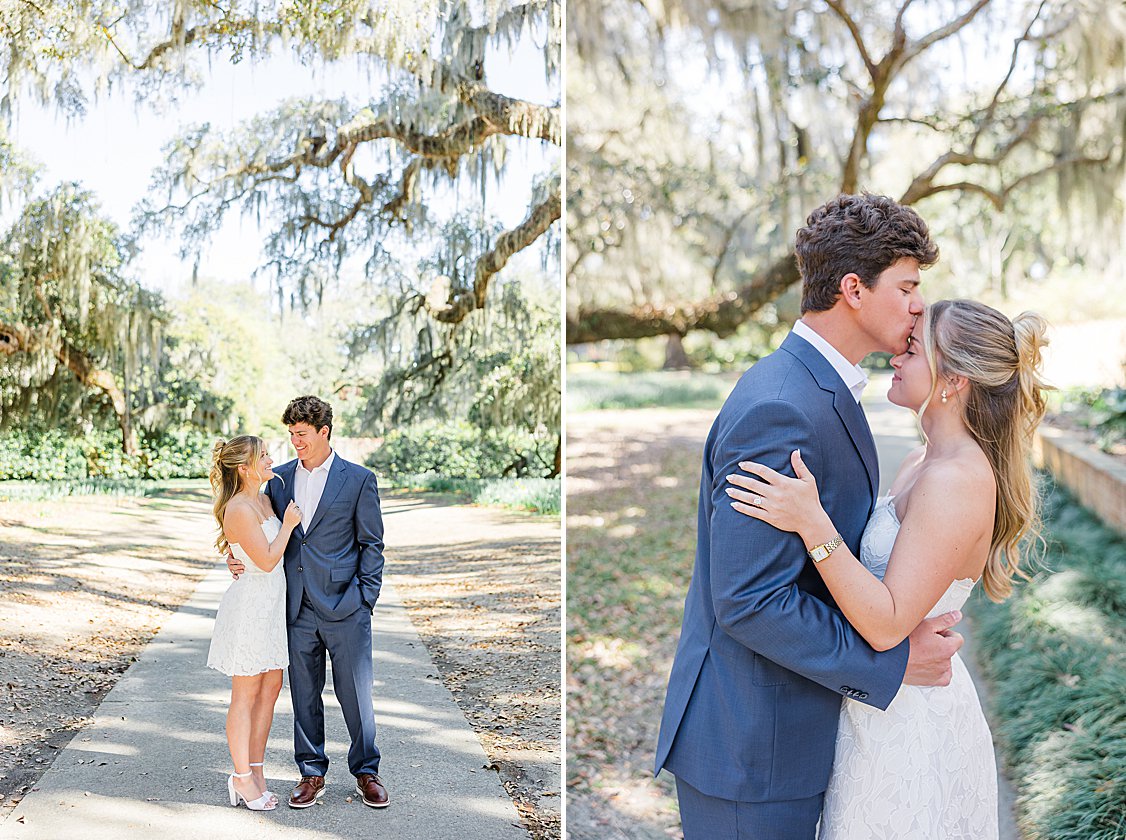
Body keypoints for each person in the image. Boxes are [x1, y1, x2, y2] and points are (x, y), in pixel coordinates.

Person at [654, 194, 965, 840]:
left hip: (791, 740)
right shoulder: (781, 406)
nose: (917, 305)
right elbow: (746, 598)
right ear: (853, 288)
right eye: (907, 286)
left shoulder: (816, 388)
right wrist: (890, 664)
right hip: (750, 752)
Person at [727, 299, 1049, 837]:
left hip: (912, 727)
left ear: (954, 382)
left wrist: (813, 523)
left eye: (914, 348)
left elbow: (887, 622)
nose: (897, 355)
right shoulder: (922, 462)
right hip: (876, 707)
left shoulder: (956, 482)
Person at [226, 395, 389, 810]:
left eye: (302, 434)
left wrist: (365, 597)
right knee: (303, 696)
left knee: (356, 694)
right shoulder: (276, 481)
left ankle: (366, 772)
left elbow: (372, 545)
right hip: (294, 608)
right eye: (291, 434)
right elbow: (246, 525)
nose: (295, 441)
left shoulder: (358, 479)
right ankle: (311, 772)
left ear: (323, 432)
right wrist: (233, 555)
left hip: (346, 606)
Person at [206, 435, 302, 811]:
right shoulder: (238, 508)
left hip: (272, 606)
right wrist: (289, 525)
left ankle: (257, 770)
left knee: (270, 688)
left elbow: (247, 552)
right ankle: (241, 778)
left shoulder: (264, 499)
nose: (269, 459)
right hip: (250, 608)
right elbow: (264, 561)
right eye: (262, 456)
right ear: (243, 468)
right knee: (245, 694)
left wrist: (233, 555)